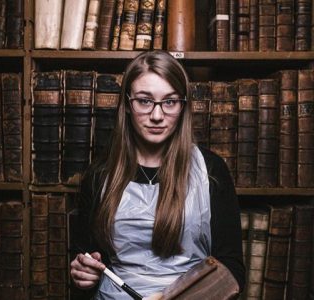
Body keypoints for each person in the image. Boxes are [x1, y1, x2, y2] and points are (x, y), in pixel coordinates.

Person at [70, 50, 245, 299]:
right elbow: (86, 256)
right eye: (144, 100)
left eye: (170, 102)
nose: (157, 115)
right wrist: (82, 274)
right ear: (127, 105)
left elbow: (233, 270)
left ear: (183, 107)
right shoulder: (100, 174)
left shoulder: (211, 170)